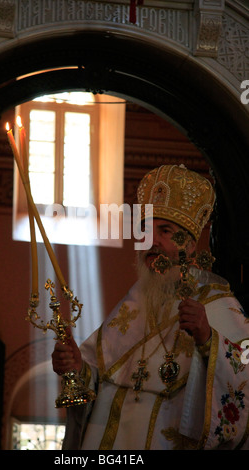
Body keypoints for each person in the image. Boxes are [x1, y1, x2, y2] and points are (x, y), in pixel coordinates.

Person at [52, 164, 249, 450]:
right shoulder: (132, 304)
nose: (151, 241)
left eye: (165, 231)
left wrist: (209, 340)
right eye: (144, 229)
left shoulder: (216, 302)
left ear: (191, 245)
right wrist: (77, 368)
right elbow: (100, 380)